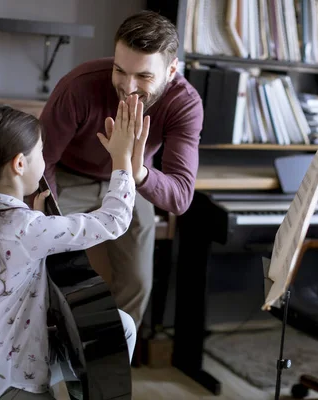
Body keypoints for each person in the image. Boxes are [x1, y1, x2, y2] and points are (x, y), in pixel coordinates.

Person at [0, 96, 148, 400]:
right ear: (19, 164)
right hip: (6, 388)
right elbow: (114, 220)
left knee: (118, 328)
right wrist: (122, 161)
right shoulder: (25, 229)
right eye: (41, 153)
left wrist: (39, 215)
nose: (46, 161)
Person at [40, 10, 204, 329]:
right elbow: (42, 162)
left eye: (144, 76)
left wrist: (137, 171)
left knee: (138, 283)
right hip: (71, 178)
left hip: (135, 179)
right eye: (120, 70)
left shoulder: (185, 104)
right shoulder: (78, 86)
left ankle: (111, 362)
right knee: (38, 257)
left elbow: (181, 197)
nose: (128, 87)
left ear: (172, 70)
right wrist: (50, 223)